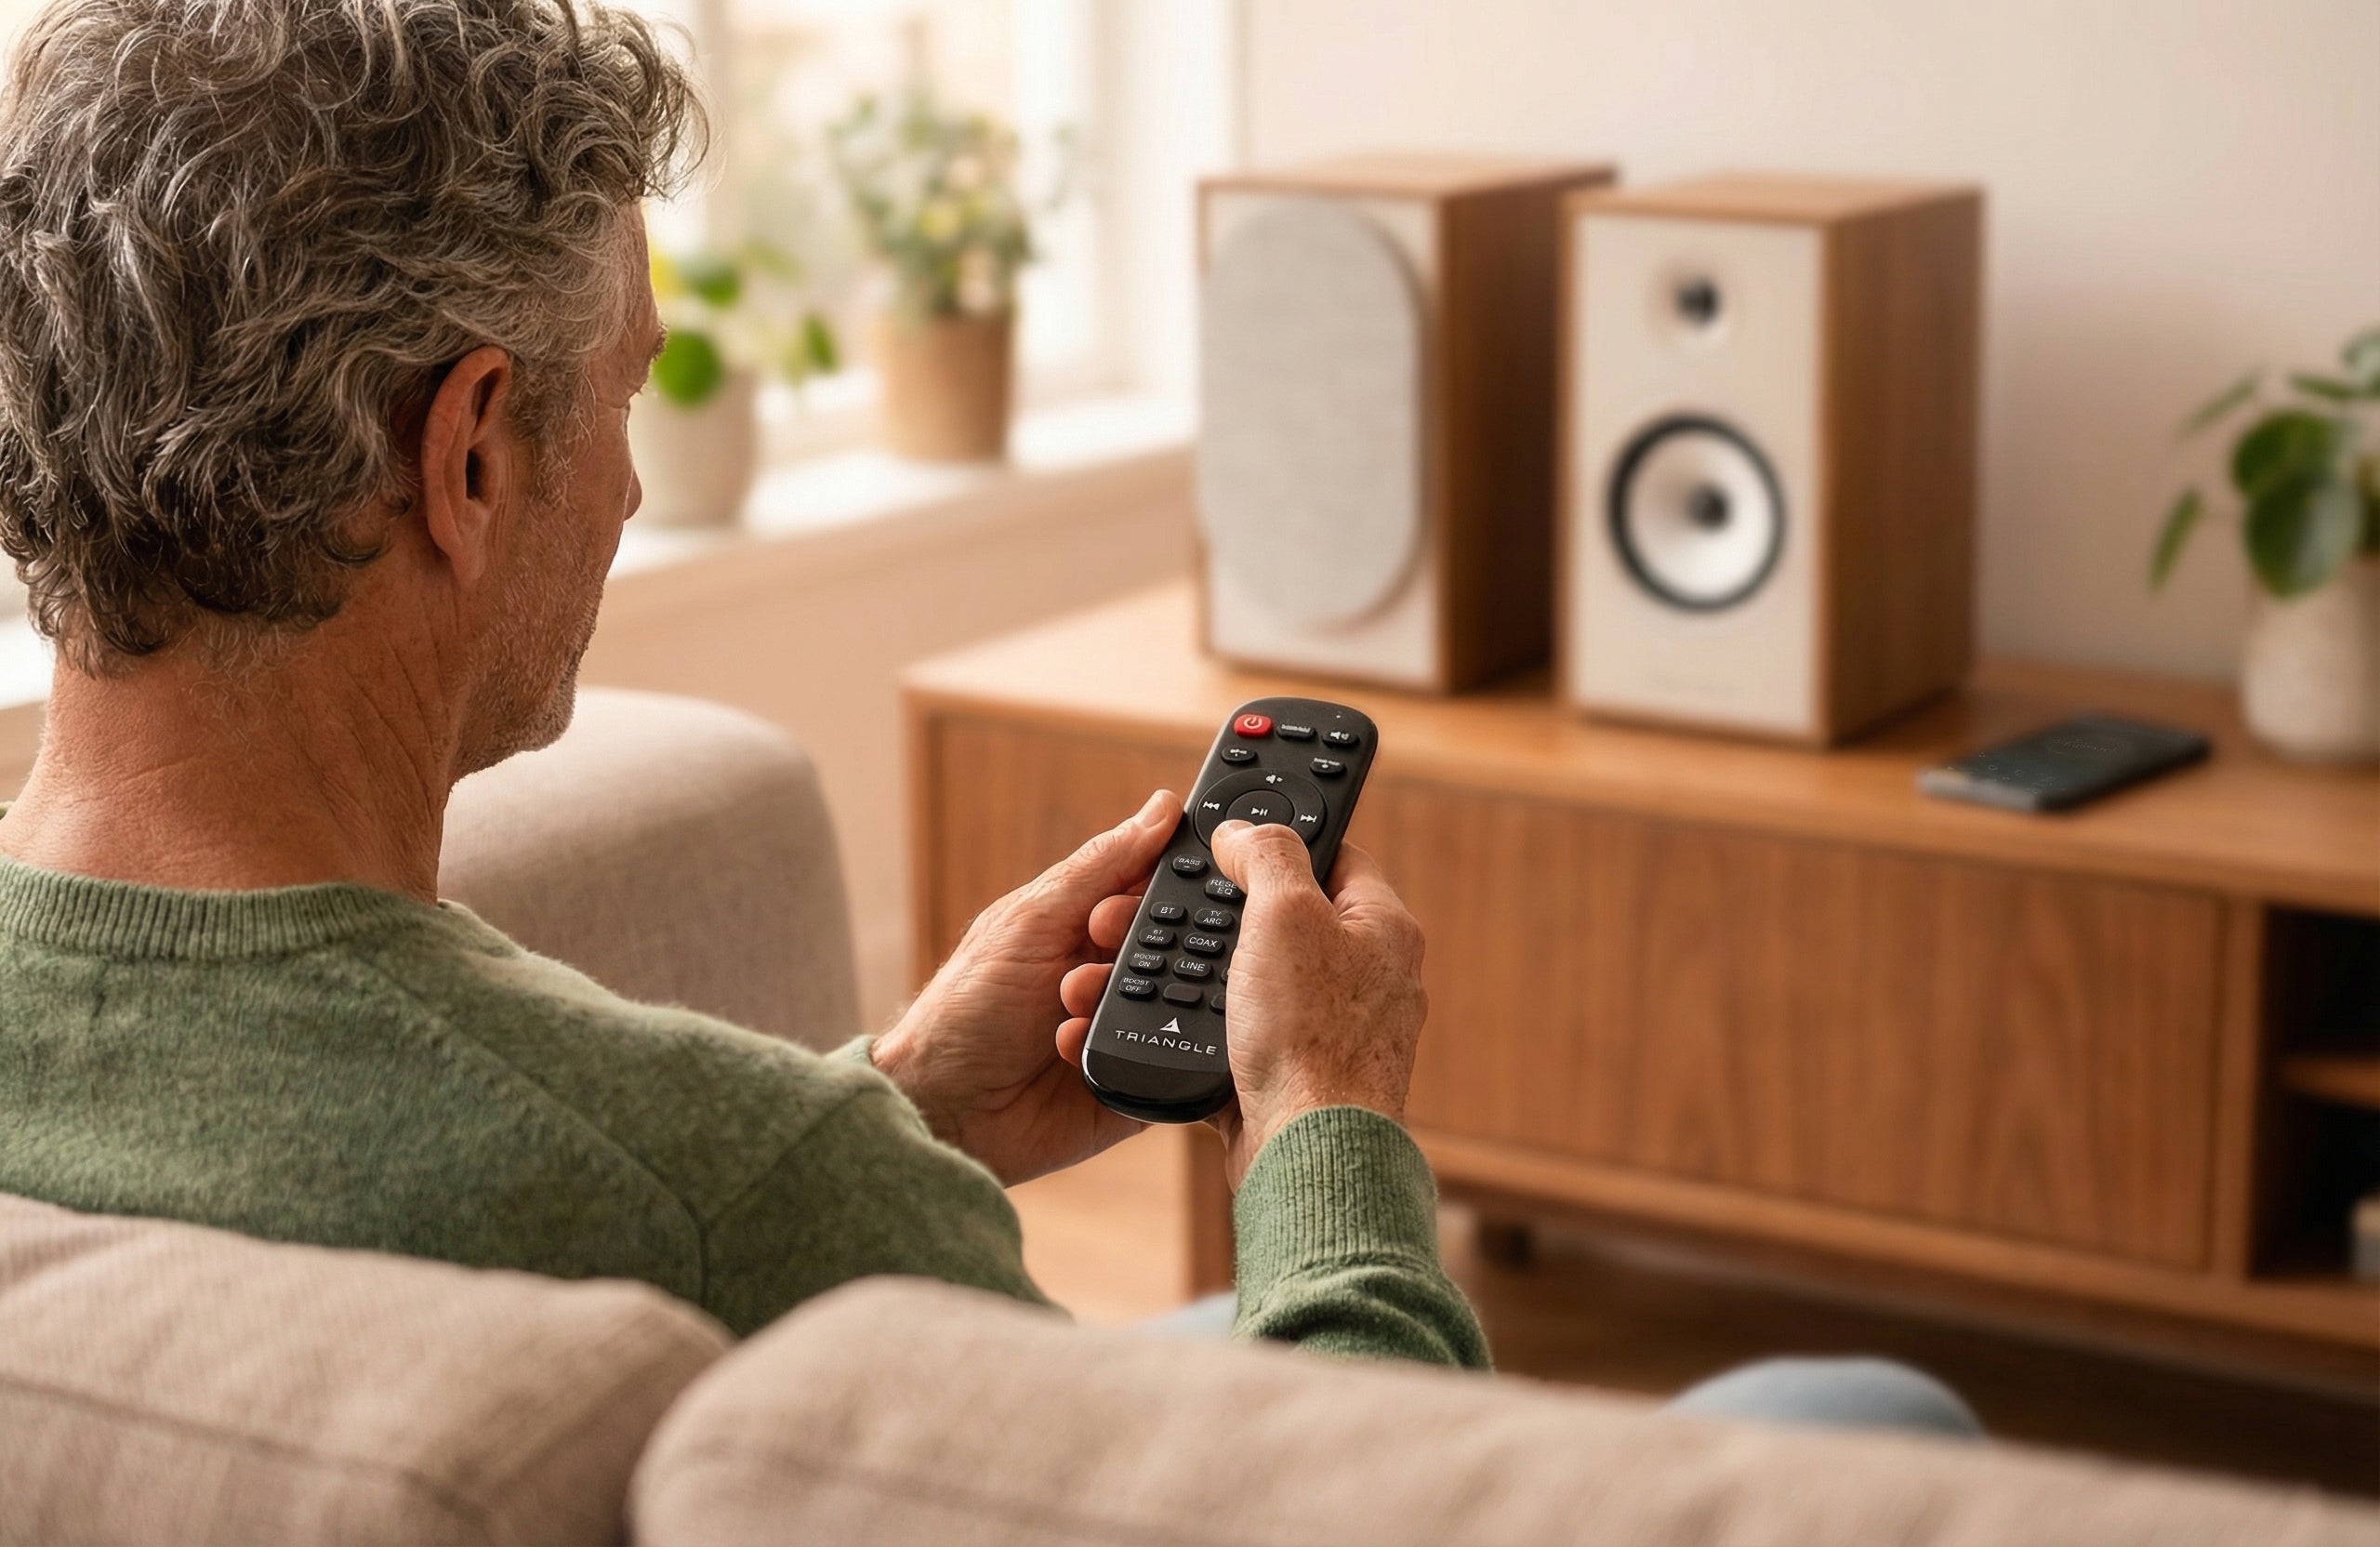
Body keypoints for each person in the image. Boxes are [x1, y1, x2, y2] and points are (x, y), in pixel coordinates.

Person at [0, 0, 1974, 1436]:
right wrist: (1325, 1117)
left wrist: (894, 1102)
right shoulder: (739, 1190)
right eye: (625, 395)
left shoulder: (736, 1175)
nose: (627, 485)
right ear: (469, 457)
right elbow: (1363, 1509)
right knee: (1867, 1410)